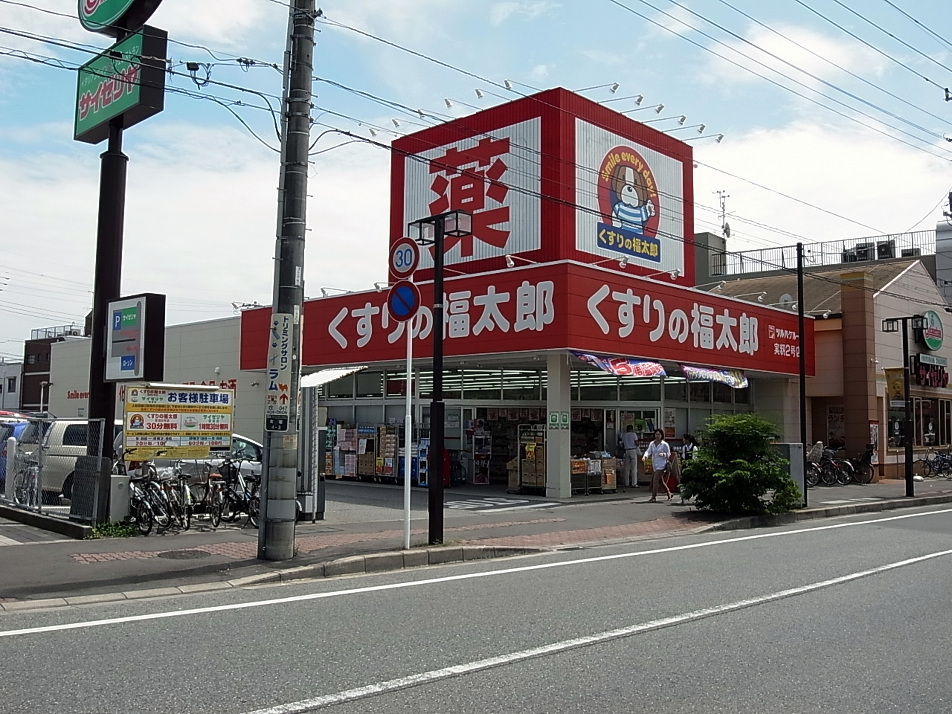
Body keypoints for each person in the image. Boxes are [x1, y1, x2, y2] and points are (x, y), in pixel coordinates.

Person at [643, 429, 672, 502]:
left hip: (662, 465)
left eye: (659, 434)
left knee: (655, 480)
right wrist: (645, 456)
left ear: (661, 435)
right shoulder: (652, 444)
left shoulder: (664, 444)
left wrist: (663, 454)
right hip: (655, 464)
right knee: (660, 481)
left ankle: (653, 496)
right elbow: (648, 451)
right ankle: (669, 493)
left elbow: (669, 454)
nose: (657, 436)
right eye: (656, 434)